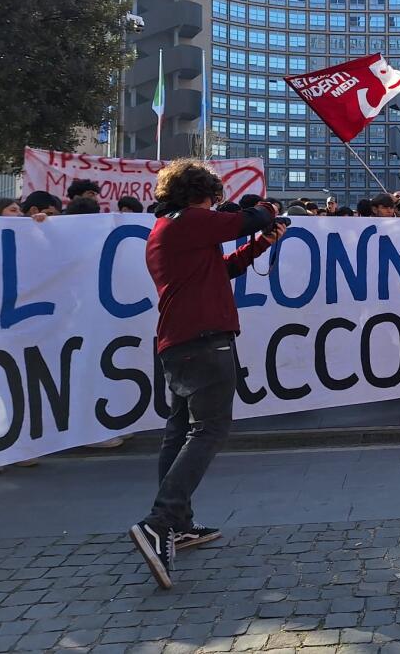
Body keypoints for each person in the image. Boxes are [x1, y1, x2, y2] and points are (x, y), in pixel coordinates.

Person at [129, 159, 285, 590]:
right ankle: (160, 521)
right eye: (215, 198)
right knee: (210, 429)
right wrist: (267, 212)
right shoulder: (190, 221)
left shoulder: (171, 227)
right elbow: (247, 219)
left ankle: (178, 523)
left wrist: (261, 245)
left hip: (180, 340)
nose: (218, 205)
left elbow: (224, 268)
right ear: (203, 194)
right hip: (204, 339)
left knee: (179, 432)